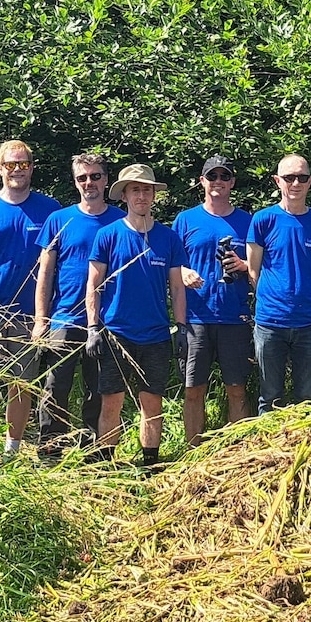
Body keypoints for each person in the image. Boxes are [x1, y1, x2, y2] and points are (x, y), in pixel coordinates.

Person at [87, 164, 189, 467]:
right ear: (125, 196)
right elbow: (94, 284)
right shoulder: (108, 236)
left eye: (146, 189)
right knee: (111, 401)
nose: (141, 195)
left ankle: (150, 464)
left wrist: (182, 328)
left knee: (152, 402)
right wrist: (94, 327)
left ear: (154, 195)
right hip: (117, 333)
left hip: (156, 334)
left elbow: (177, 287)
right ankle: (106, 462)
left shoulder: (168, 238)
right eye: (135, 190)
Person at [0, 139, 62, 456]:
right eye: (10, 164)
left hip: (31, 314)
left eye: (23, 164)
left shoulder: (51, 210)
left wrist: (45, 315)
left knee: (21, 384)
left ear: (31, 168)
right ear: (0, 169)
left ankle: (12, 448)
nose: (17, 170)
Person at [36, 152, 123, 454]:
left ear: (106, 179)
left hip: (106, 321)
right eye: (82, 178)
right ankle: (50, 449)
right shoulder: (59, 220)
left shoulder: (121, 221)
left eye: (95, 176)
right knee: (54, 387)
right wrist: (40, 319)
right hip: (63, 318)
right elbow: (44, 274)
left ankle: (93, 452)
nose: (89, 182)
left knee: (98, 388)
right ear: (75, 182)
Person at [173, 155, 254, 444]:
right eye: (212, 176)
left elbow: (259, 266)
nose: (218, 181)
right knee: (194, 389)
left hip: (235, 316)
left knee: (237, 388)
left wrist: (243, 266)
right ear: (202, 181)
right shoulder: (185, 219)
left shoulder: (248, 221)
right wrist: (183, 272)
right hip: (196, 317)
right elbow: (171, 263)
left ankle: (238, 453)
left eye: (224, 176)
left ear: (232, 182)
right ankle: (193, 449)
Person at [247, 154, 311, 412]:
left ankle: (303, 448)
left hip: (309, 322)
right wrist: (274, 299)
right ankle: (268, 450)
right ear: (278, 181)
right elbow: (254, 272)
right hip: (270, 322)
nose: (295, 183)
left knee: (307, 396)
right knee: (270, 395)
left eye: (302, 177)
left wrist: (306, 299)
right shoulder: (263, 220)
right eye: (289, 177)